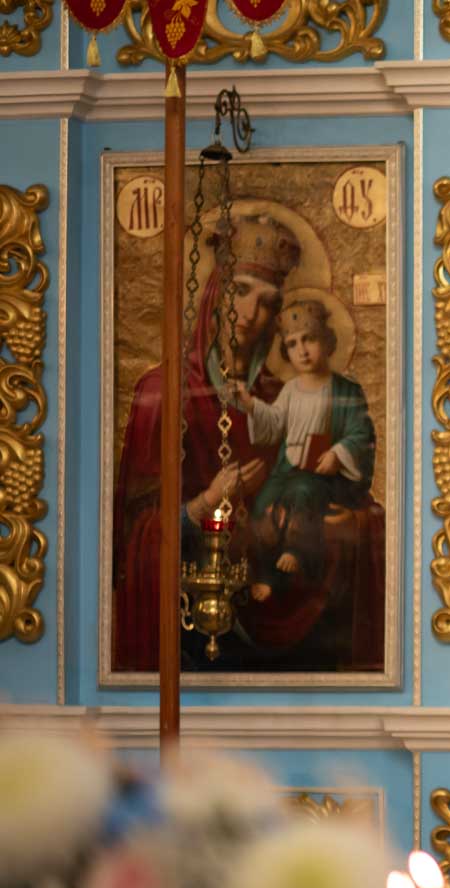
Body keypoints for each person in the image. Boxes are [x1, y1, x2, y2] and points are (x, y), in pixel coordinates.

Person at [112, 214, 298, 671]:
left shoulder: (279, 402)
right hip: (181, 615)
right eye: (240, 292)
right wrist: (205, 502)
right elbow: (131, 534)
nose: (251, 315)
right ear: (215, 294)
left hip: (263, 611)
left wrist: (283, 523)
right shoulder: (162, 392)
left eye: (268, 303)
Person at [231, 298, 376, 603]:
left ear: (327, 342)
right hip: (287, 469)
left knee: (302, 492)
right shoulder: (290, 389)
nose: (302, 350)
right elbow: (274, 424)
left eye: (309, 339)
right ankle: (266, 577)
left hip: (323, 475)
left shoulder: (346, 390)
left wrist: (338, 453)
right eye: (293, 343)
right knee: (260, 506)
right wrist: (250, 405)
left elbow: (362, 433)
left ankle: (295, 552)